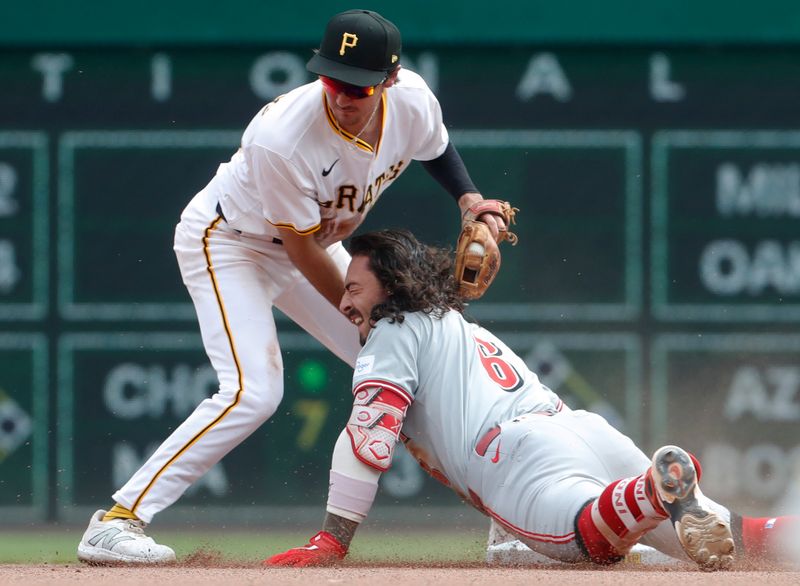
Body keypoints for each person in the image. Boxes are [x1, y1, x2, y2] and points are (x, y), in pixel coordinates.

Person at [77, 9, 506, 564]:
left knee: (419, 370)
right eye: (331, 78)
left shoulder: (413, 101)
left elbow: (437, 149)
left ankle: (508, 519)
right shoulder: (283, 138)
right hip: (231, 242)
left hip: (307, 242)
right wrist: (367, 317)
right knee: (253, 391)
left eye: (358, 85)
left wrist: (471, 200)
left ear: (390, 81)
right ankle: (116, 521)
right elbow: (302, 250)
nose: (343, 94)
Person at [265, 229, 800, 570]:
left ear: (390, 289)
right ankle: (775, 532)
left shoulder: (390, 333)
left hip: (518, 459)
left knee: (588, 542)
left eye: (355, 289)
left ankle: (647, 495)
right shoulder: (460, 327)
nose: (344, 300)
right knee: (720, 540)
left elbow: (370, 437)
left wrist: (332, 540)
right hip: (578, 431)